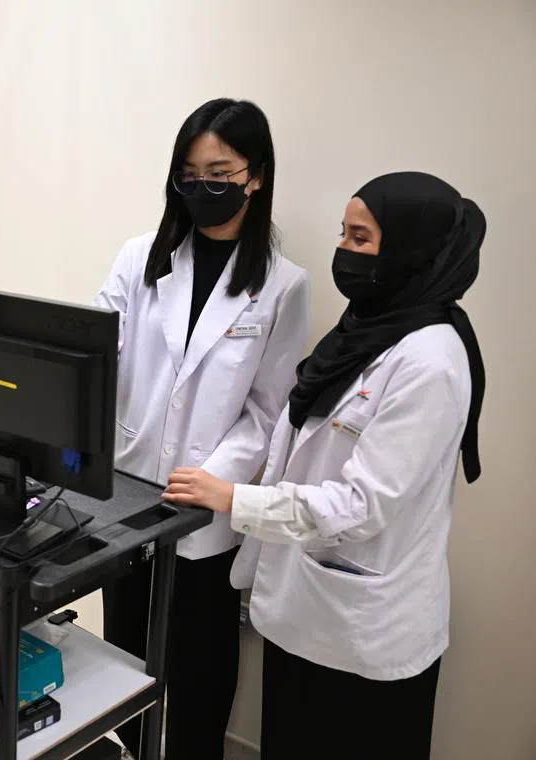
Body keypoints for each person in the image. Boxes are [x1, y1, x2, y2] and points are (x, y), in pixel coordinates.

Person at [163, 171, 485, 759]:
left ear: (412, 250)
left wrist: (233, 496)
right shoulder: (365, 333)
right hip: (304, 612)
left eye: (360, 239)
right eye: (344, 234)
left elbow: (362, 505)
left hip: (365, 634)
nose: (344, 252)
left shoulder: (431, 361)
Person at [95, 98, 310, 759]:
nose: (202, 189)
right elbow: (94, 355)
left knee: (201, 669)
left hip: (207, 507)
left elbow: (271, 409)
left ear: (257, 176)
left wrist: (216, 475)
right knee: (121, 658)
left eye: (219, 173)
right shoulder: (141, 259)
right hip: (126, 492)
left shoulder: (282, 286)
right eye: (189, 175)